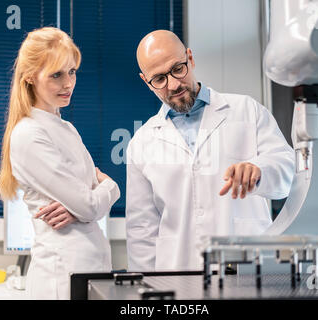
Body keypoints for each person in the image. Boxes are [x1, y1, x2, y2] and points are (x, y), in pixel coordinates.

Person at [126, 30, 295, 271]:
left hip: (246, 268)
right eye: (160, 79)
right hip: (177, 275)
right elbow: (142, 229)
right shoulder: (141, 143)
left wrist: (259, 171)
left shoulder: (246, 110)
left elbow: (287, 168)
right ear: (146, 81)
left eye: (177, 69)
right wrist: (147, 290)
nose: (173, 84)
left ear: (190, 58)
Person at [0, 27, 120, 299]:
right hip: (60, 279)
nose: (68, 83)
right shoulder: (29, 134)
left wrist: (82, 206)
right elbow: (90, 203)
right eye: (56, 75)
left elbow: (86, 204)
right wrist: (108, 186)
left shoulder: (67, 129)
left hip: (89, 272)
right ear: (30, 77)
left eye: (72, 71)